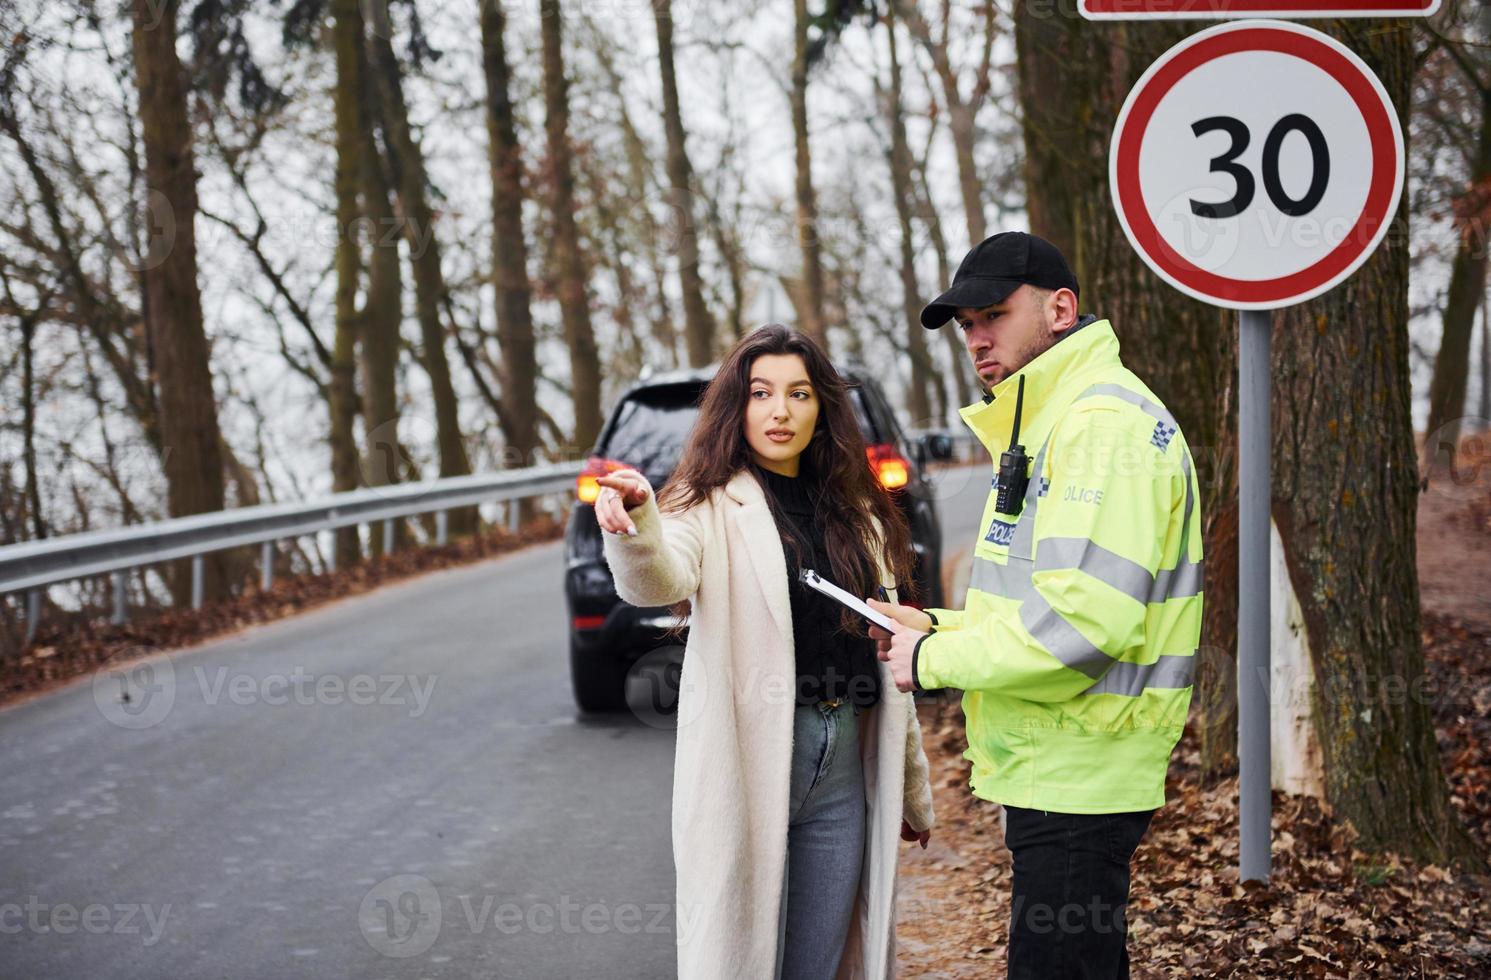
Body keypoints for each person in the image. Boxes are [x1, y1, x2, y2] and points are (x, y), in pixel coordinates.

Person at [869, 231, 1205, 980]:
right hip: (1062, 765)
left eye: (992, 314)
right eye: (966, 325)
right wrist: (935, 625)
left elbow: (1087, 626)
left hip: (1080, 768)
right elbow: (1045, 599)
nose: (976, 338)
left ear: (1059, 309)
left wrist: (932, 660)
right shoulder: (1051, 422)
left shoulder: (1099, 427)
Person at [593, 324, 936, 980]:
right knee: (742, 959)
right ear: (737, 405)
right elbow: (656, 580)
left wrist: (911, 790)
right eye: (760, 393)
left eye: (799, 394)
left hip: (844, 758)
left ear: (821, 409)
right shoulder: (705, 503)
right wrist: (637, 522)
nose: (780, 410)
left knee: (820, 961)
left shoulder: (855, 510)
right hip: (749, 762)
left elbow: (886, 648)